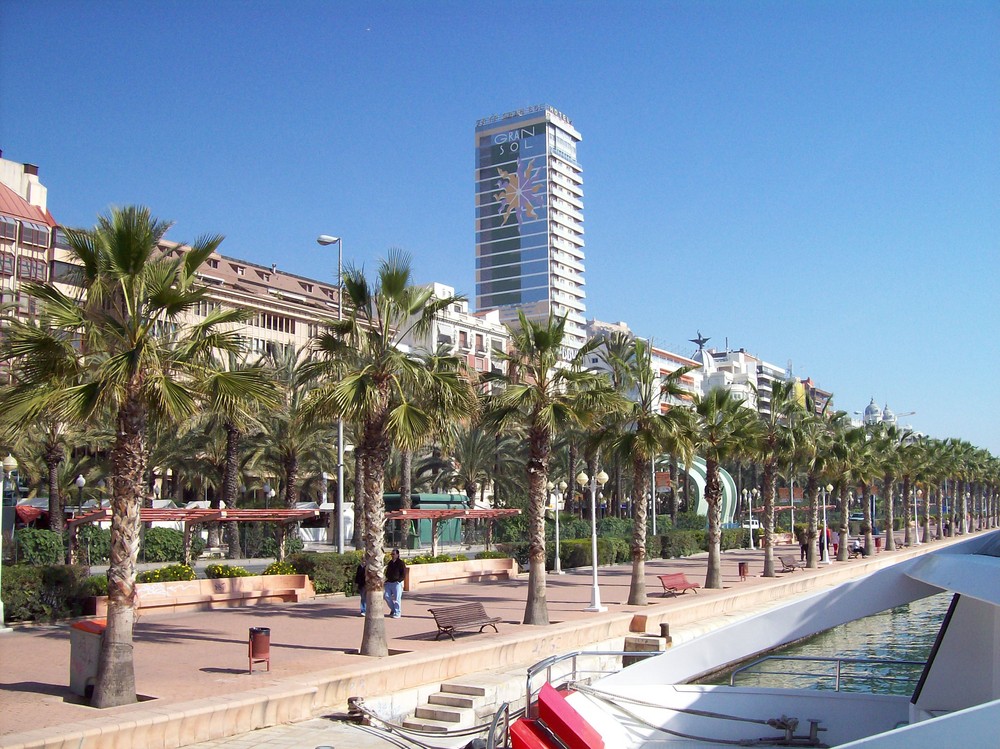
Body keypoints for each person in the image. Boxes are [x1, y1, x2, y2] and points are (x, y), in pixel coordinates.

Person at [384, 548, 406, 618]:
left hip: (397, 583)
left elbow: (404, 574)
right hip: (389, 582)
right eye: (391, 554)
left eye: (393, 554)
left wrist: (399, 581)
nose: (392, 556)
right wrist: (386, 579)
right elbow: (387, 572)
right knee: (386, 596)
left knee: (397, 599)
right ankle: (393, 609)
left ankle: (397, 613)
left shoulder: (401, 563)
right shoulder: (390, 563)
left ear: (397, 555)